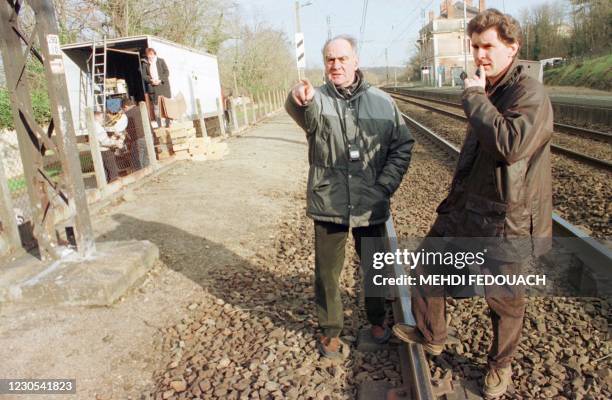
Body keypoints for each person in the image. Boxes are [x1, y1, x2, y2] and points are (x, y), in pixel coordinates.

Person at [392, 9, 553, 398]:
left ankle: (500, 366)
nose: (480, 55)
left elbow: (511, 145)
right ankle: (432, 335)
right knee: (426, 265)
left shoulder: (529, 93)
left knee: (504, 302)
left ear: (512, 47)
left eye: (488, 46)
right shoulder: (491, 88)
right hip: (470, 208)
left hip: (507, 220)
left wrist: (474, 98)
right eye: (475, 46)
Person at [285, 35, 414, 359]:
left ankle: (376, 321)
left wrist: (384, 185)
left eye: (342, 58)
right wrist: (297, 96)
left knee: (374, 266)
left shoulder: (383, 102)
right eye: (330, 59)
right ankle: (331, 331)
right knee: (327, 271)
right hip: (329, 202)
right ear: (325, 64)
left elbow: (402, 146)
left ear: (356, 61)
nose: (336, 65)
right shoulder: (316, 100)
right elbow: (298, 108)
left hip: (371, 202)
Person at [142, 47, 171, 128]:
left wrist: (160, 80)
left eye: (151, 54)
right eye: (148, 55)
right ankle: (159, 125)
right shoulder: (145, 64)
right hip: (154, 88)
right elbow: (144, 76)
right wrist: (151, 80)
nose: (150, 56)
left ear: (154, 54)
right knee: (156, 106)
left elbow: (167, 72)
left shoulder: (161, 61)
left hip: (163, 86)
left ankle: (168, 124)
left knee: (166, 105)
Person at [93, 111, 122, 183]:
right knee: (112, 171)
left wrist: (113, 138)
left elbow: (103, 140)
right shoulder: (98, 127)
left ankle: (108, 185)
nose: (103, 119)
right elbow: (104, 142)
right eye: (101, 117)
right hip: (105, 151)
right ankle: (114, 186)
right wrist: (116, 143)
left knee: (106, 171)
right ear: (97, 117)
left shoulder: (95, 126)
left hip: (101, 151)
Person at [121, 99, 149, 169]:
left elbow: (124, 128)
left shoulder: (127, 114)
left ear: (126, 106)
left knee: (137, 160)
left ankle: (141, 174)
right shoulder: (141, 109)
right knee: (147, 158)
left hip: (138, 139)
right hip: (148, 136)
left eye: (124, 109)